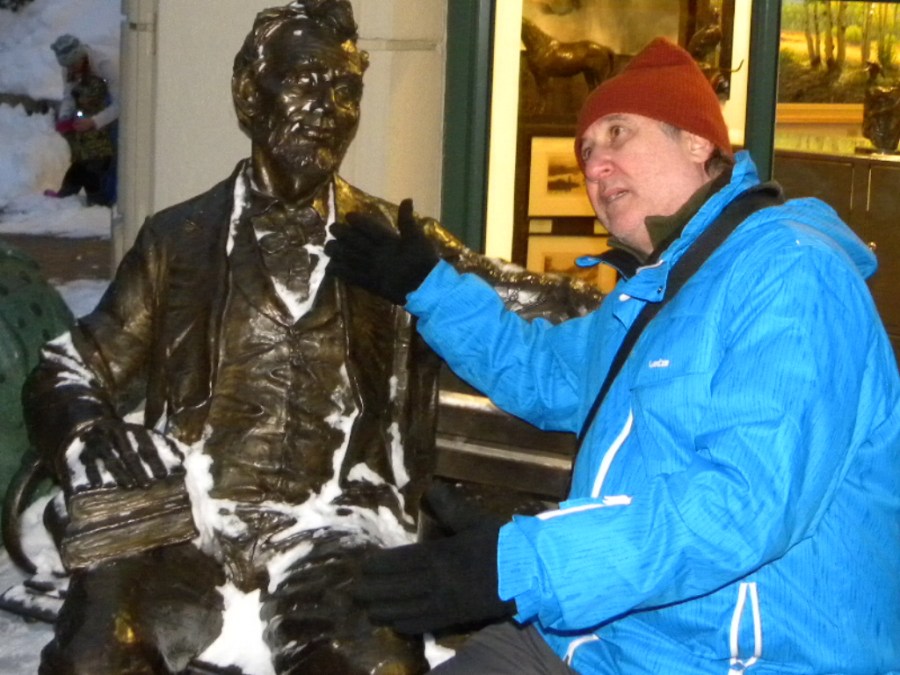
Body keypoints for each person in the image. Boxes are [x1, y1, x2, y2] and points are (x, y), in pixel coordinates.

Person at [21, 3, 599, 674]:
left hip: (336, 533)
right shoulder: (178, 241)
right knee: (96, 656)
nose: (327, 108)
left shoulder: (394, 244)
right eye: (303, 81)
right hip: (189, 526)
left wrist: (643, 301)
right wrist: (89, 432)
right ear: (249, 94)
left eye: (344, 88)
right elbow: (69, 368)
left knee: (368, 665)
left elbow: (529, 302)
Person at [327, 38, 900, 672]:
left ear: (698, 142)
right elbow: (545, 372)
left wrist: (515, 565)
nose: (595, 167)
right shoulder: (656, 292)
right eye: (586, 151)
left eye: (618, 134)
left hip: (736, 659)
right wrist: (426, 286)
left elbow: (742, 505)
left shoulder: (792, 274)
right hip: (600, 638)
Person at [44, 34, 118, 206]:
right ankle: (69, 195)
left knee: (101, 159)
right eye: (66, 66)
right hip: (89, 117)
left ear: (81, 57)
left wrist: (95, 121)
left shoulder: (105, 64)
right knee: (84, 158)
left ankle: (102, 200)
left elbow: (121, 103)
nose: (71, 70)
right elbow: (69, 95)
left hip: (112, 110)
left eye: (73, 65)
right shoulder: (69, 68)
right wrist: (64, 118)